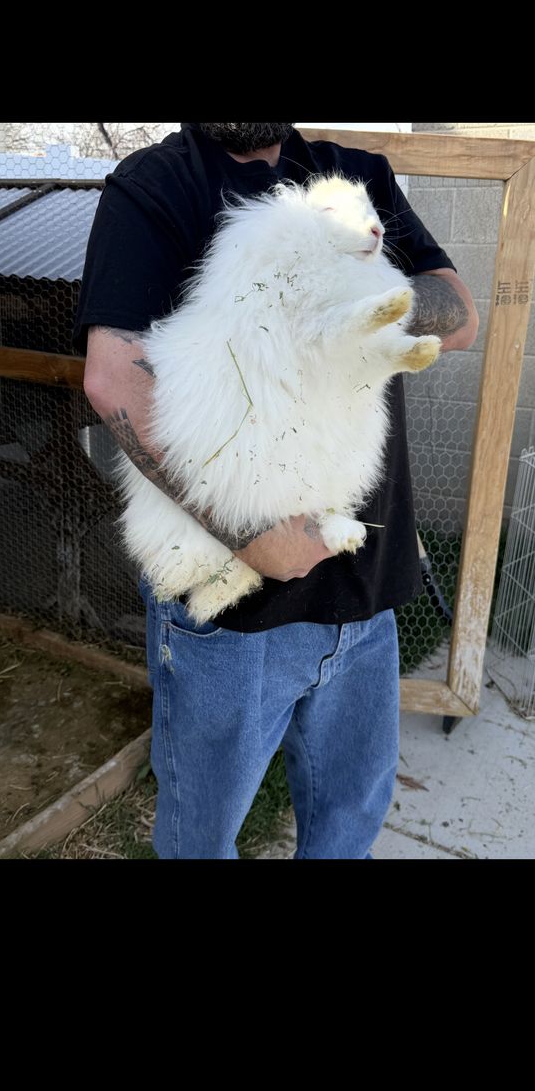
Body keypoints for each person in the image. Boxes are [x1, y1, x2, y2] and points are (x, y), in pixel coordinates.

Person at [74, 123, 478, 860]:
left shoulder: (354, 175)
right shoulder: (154, 186)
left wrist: (357, 300)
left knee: (349, 816)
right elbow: (114, 379)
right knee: (203, 831)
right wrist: (253, 533)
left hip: (365, 582)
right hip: (233, 605)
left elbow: (457, 312)